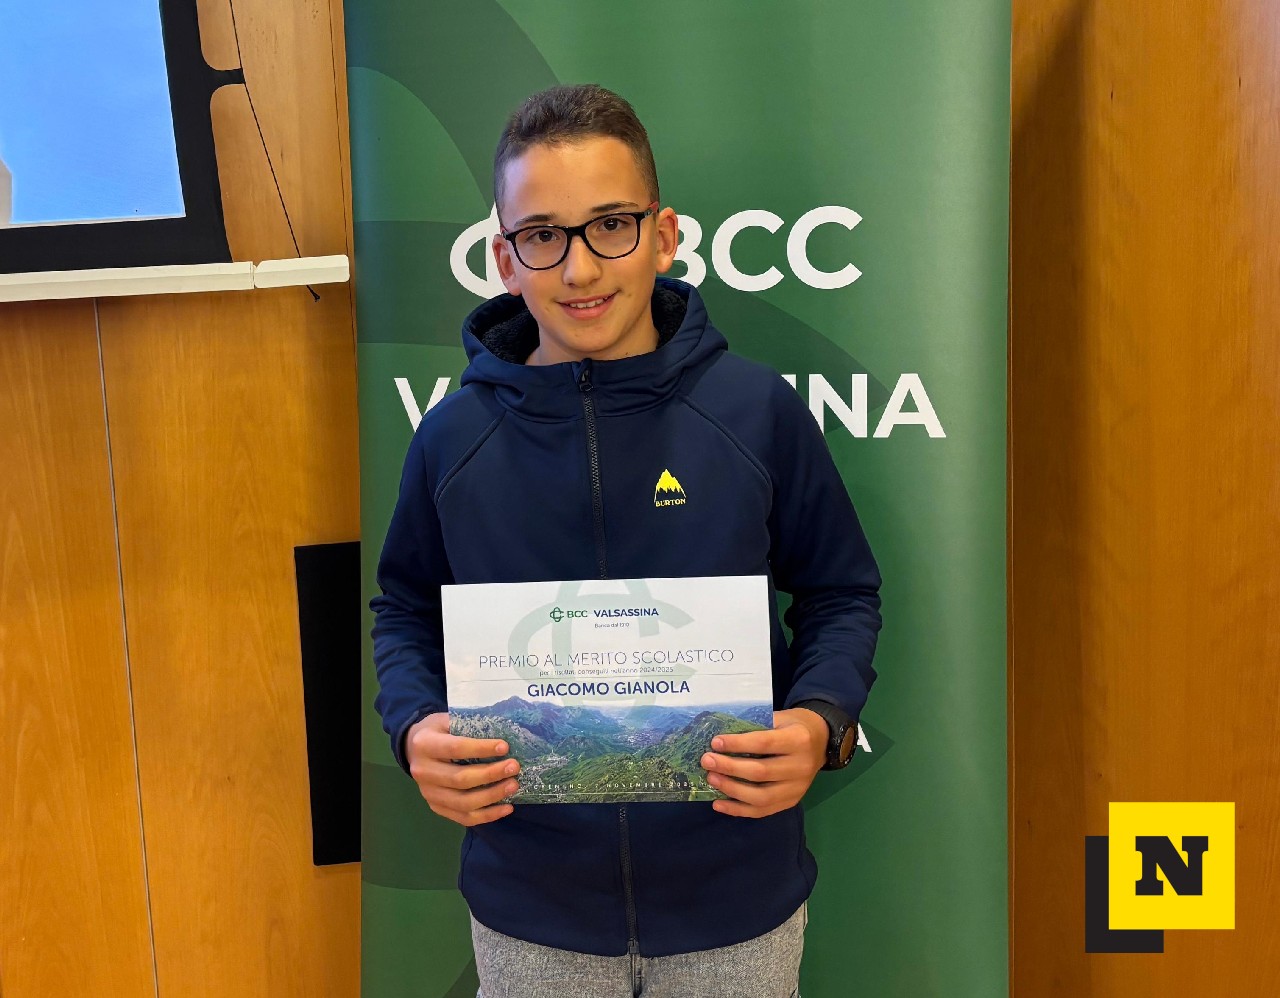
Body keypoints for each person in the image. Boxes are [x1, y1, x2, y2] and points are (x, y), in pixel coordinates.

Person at [371, 83, 882, 998]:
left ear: (664, 235)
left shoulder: (755, 412)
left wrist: (821, 721)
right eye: (543, 236)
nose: (578, 269)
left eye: (610, 225)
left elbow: (841, 591)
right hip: (532, 911)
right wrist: (414, 728)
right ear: (504, 258)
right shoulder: (452, 438)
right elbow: (405, 607)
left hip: (737, 904)